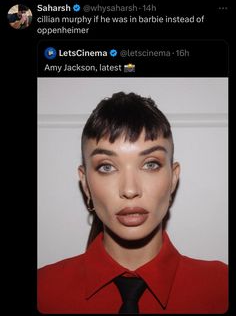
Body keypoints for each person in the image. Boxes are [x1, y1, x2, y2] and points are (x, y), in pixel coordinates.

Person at [37, 92, 228, 313]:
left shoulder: (220, 288)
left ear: (173, 178)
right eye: (106, 166)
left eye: (150, 164)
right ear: (86, 183)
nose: (130, 190)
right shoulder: (43, 291)